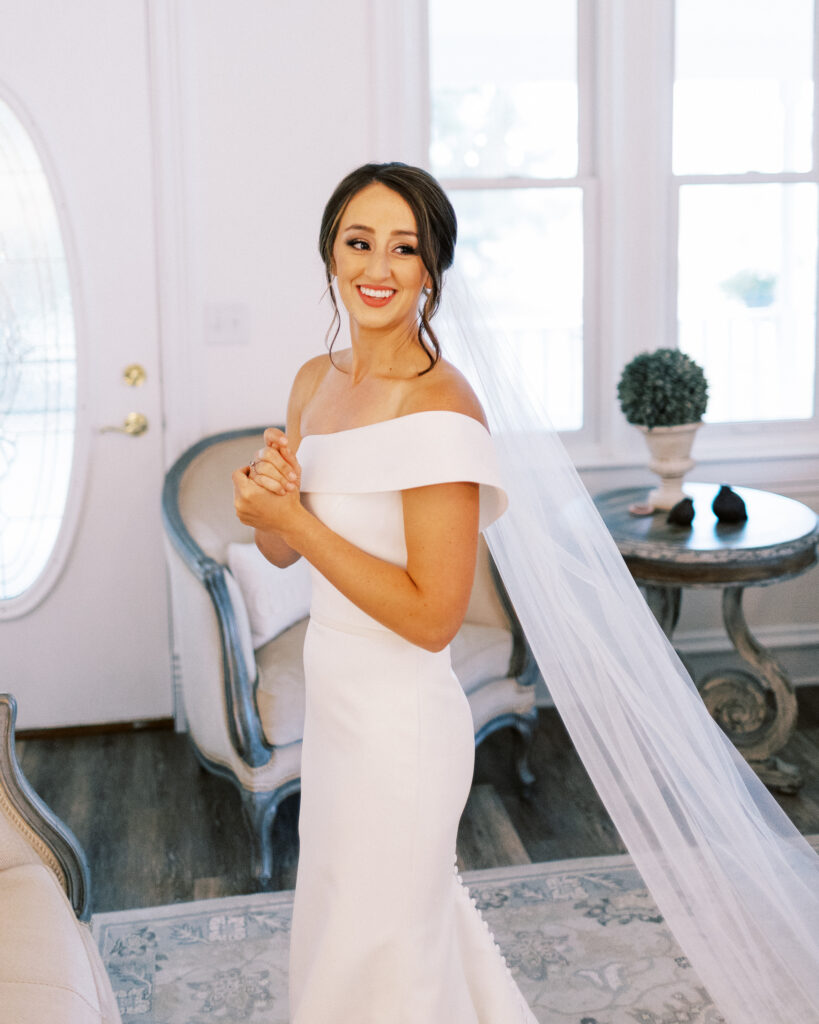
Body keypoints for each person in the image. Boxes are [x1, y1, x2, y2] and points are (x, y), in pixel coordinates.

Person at [232, 163, 537, 1022]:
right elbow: (280, 551)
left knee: (388, 945)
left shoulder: (441, 408)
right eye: (358, 241)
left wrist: (298, 518)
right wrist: (270, 499)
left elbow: (433, 616)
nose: (377, 265)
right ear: (330, 253)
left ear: (430, 269)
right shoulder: (312, 382)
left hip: (402, 725)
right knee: (340, 928)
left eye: (403, 247)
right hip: (337, 706)